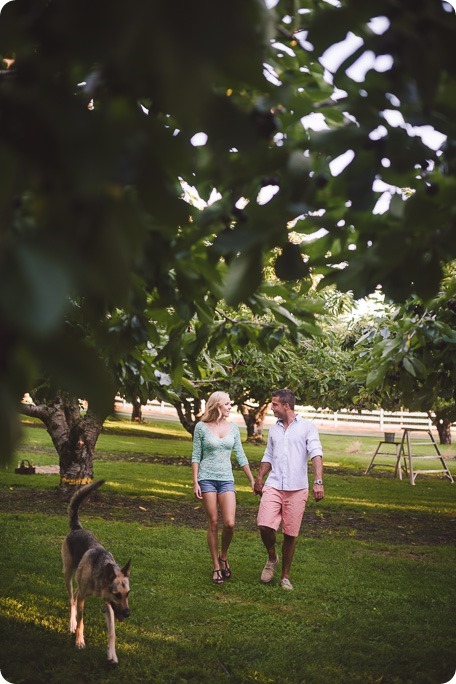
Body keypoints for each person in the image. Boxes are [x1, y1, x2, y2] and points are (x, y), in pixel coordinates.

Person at [254, 389, 324, 590]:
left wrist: (318, 481)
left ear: (286, 406)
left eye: (275, 404)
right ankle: (272, 557)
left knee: (290, 534)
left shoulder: (307, 427)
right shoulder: (274, 429)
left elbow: (316, 454)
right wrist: (260, 477)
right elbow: (268, 455)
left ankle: (285, 576)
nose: (272, 408)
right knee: (264, 525)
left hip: (297, 488)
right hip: (274, 485)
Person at [192, 391, 255, 584]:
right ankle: (216, 566)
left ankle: (223, 555)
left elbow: (241, 455)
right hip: (206, 479)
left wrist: (251, 479)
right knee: (213, 522)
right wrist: (195, 481)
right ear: (217, 405)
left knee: (229, 523)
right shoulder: (201, 427)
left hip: (226, 479)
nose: (230, 407)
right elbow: (196, 455)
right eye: (227, 404)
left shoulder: (233, 428)